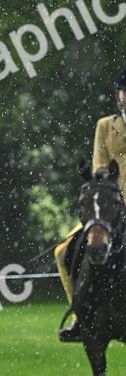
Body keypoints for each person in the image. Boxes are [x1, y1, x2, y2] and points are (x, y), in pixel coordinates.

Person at [56, 65, 126, 341]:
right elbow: (99, 168)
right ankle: (79, 316)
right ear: (118, 95)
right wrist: (109, 197)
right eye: (123, 91)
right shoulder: (105, 126)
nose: (125, 96)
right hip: (109, 208)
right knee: (62, 251)